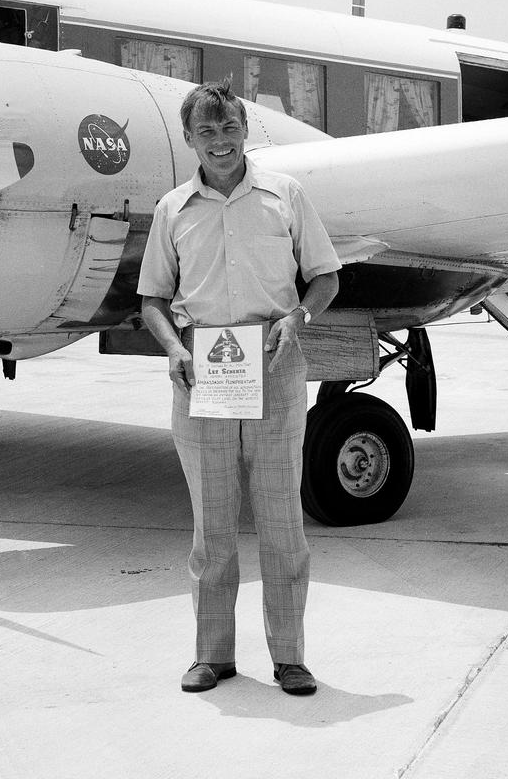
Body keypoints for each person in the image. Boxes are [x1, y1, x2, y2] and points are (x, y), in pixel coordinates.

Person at [137, 78, 340, 696]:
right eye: (207, 132)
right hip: (205, 373)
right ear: (190, 138)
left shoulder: (287, 196)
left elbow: (325, 278)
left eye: (229, 129)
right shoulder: (172, 210)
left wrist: (298, 316)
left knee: (282, 520)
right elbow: (150, 299)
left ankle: (290, 658)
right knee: (212, 524)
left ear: (244, 130)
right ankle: (212, 655)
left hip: (274, 369)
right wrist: (173, 348)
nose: (220, 142)